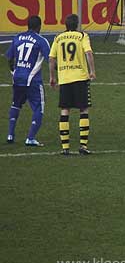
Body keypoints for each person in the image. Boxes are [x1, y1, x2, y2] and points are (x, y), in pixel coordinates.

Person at [47, 14, 96, 156]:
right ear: (77, 24)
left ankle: (65, 147)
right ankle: (83, 146)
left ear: (65, 25)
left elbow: (51, 59)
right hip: (80, 77)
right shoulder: (82, 36)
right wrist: (92, 71)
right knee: (83, 110)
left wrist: (52, 77)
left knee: (64, 110)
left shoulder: (58, 37)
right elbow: (88, 53)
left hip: (64, 78)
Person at [6, 15, 50, 146]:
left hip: (17, 77)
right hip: (32, 80)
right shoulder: (41, 41)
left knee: (16, 104)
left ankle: (10, 135)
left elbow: (9, 57)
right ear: (39, 26)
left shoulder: (17, 38)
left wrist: (13, 71)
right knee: (38, 107)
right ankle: (30, 138)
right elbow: (50, 59)